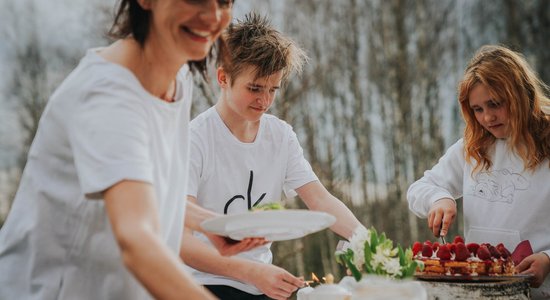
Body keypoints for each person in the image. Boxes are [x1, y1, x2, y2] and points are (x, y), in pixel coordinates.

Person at [0, 1, 264, 299]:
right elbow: (136, 241)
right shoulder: (108, 95)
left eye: (224, 2)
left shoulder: (178, 78)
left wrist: (209, 223)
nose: (214, 16)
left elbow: (143, 193)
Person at [180, 13, 365, 300]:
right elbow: (180, 236)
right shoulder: (195, 139)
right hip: (203, 284)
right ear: (223, 77)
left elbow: (320, 200)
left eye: (273, 90)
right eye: (254, 88)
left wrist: (368, 244)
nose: (264, 101)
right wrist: (249, 272)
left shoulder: (281, 135)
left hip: (261, 283)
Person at [407, 45, 550, 299]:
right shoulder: (472, 147)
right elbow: (418, 189)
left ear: (519, 94)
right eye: (477, 109)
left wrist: (549, 259)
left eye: (495, 104)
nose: (487, 118)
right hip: (477, 292)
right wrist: (438, 198)